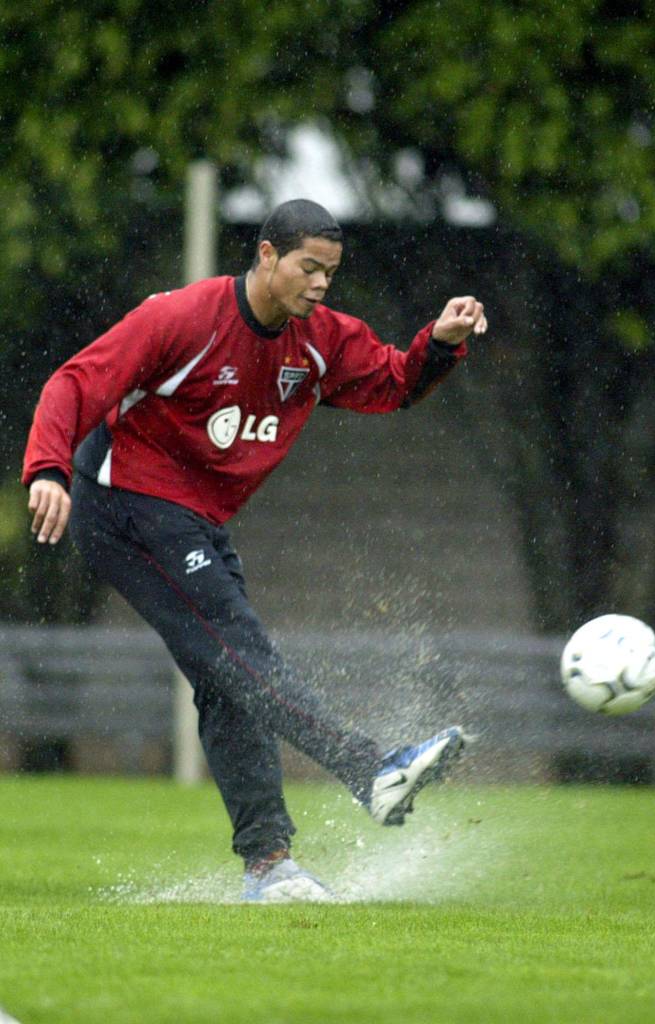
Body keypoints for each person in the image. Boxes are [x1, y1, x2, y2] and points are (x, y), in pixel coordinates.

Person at [23, 199, 487, 902]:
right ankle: (371, 771)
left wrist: (441, 344)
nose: (321, 284)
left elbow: (393, 383)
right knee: (238, 652)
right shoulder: (183, 318)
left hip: (195, 521)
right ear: (267, 255)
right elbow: (75, 381)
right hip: (122, 505)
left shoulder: (320, 340)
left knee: (227, 677)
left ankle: (268, 866)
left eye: (330, 272)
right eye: (309, 267)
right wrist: (47, 469)